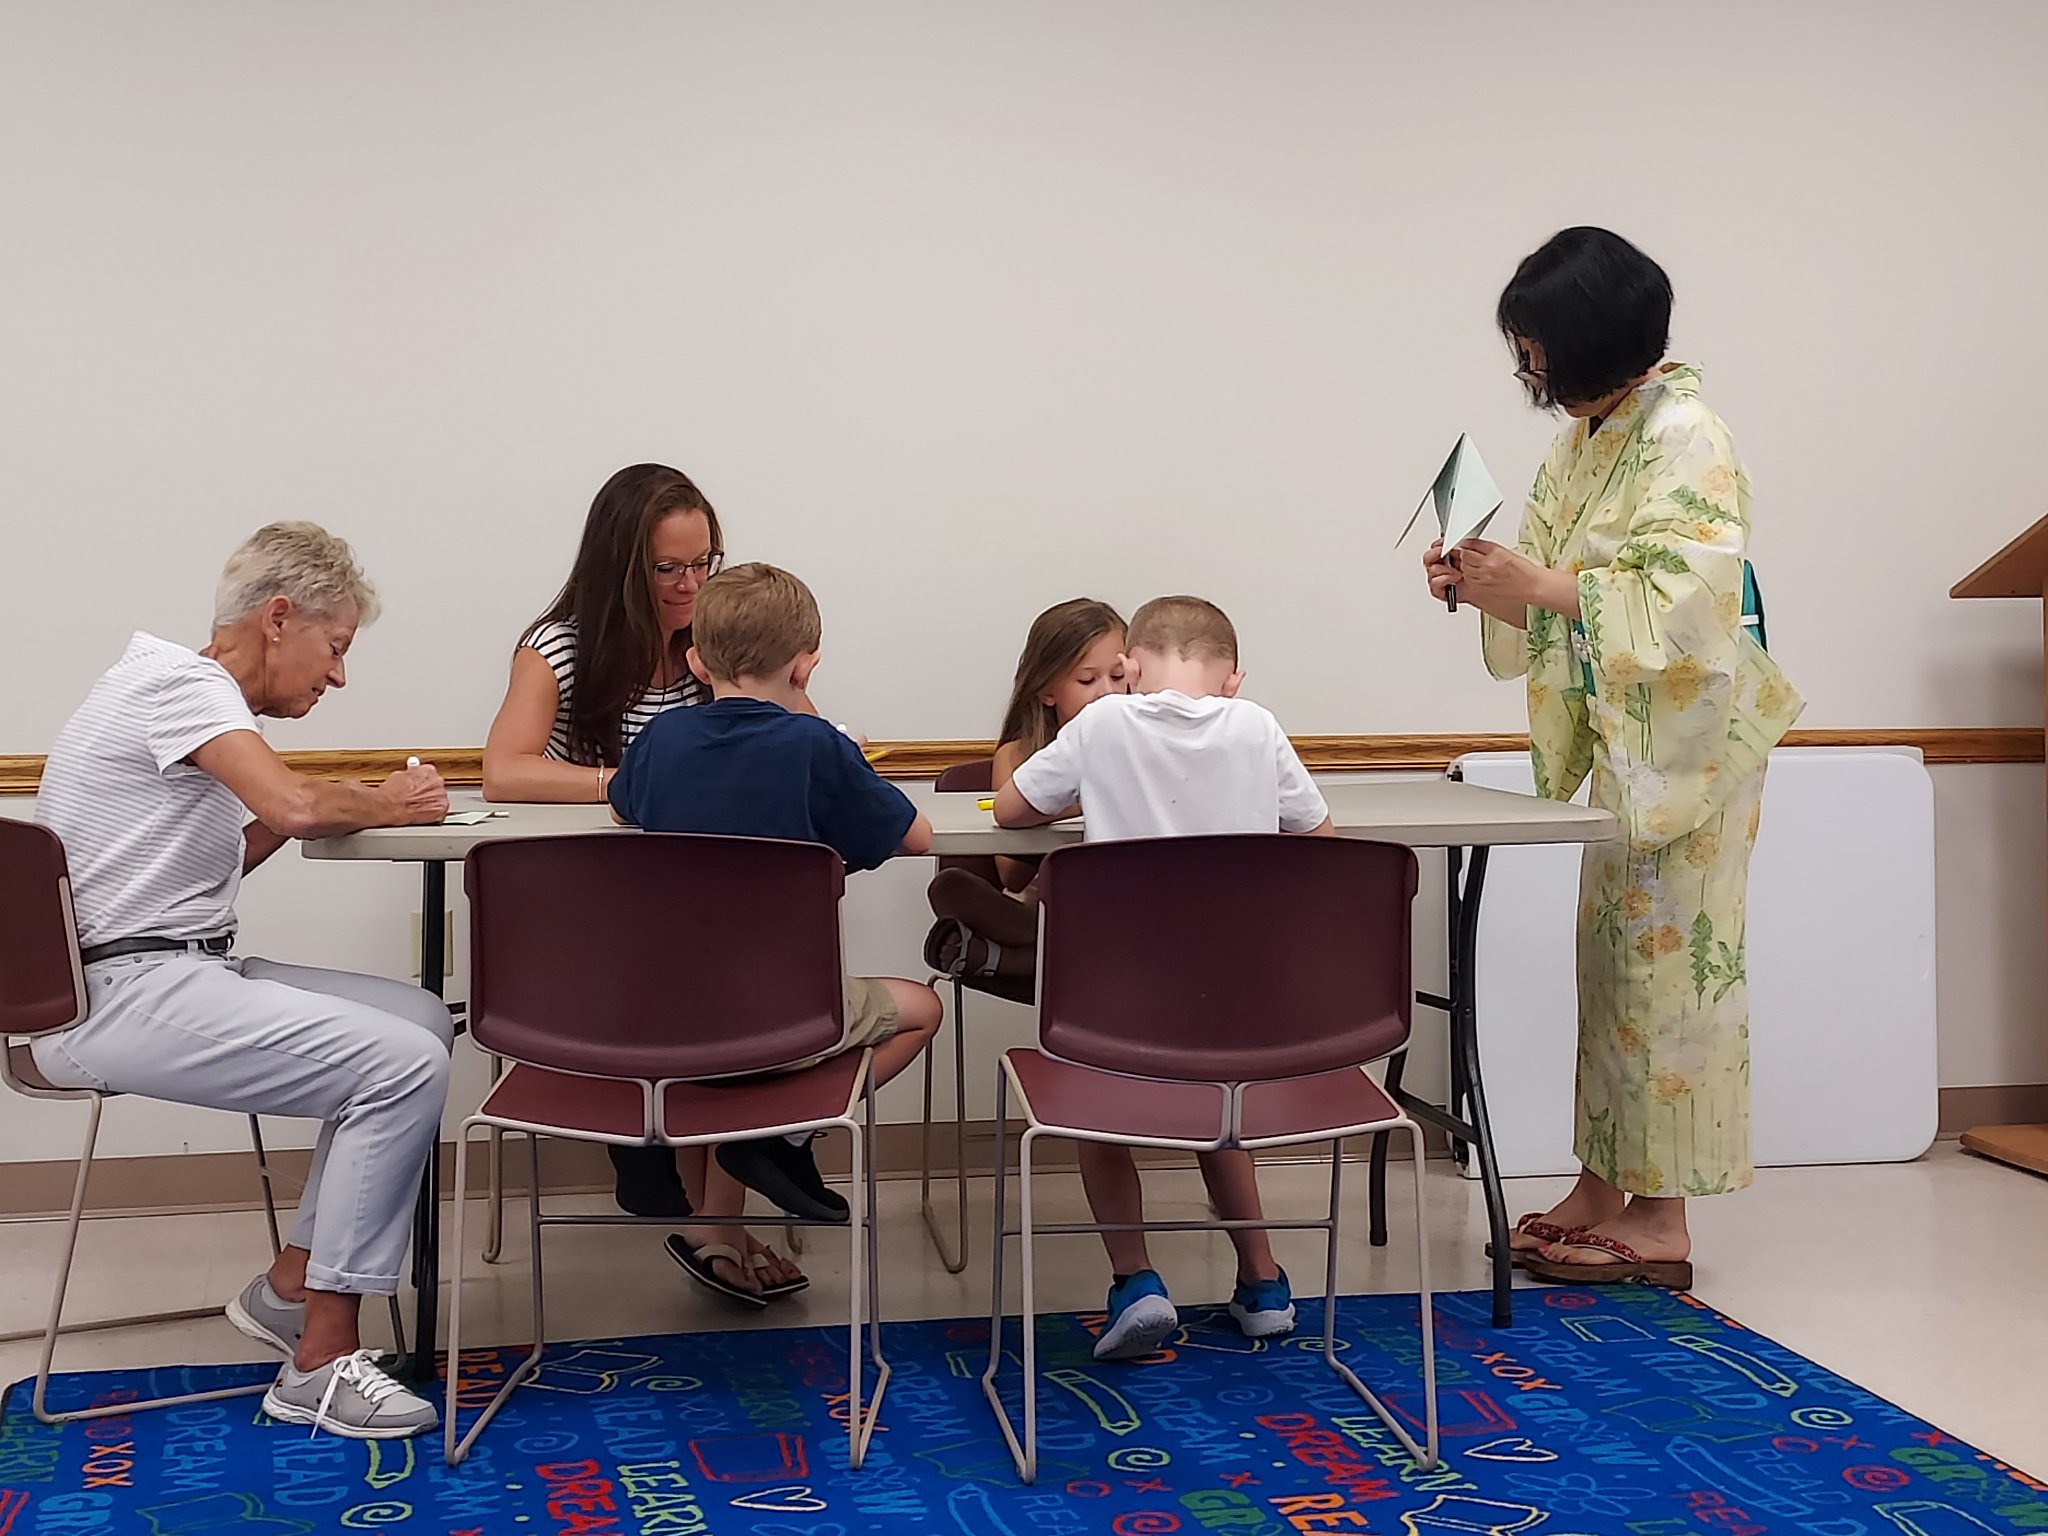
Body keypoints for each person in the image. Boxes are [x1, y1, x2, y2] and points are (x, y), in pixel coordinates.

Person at [1422, 226, 1805, 1288]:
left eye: (1534, 351)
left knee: (1674, 978)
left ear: (1586, 342)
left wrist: (1533, 589)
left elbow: (1687, 600)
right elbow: (1547, 569)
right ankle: (1603, 1186)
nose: (1528, 374)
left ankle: (1662, 1221)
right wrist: (1481, 576)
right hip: (1631, 748)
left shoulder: (1686, 433)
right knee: (1614, 973)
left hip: (1690, 745)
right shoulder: (1592, 436)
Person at [32, 522, 453, 1439]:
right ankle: (319, 1358)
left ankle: (289, 1289)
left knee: (420, 1019)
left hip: (165, 968)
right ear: (277, 618)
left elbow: (238, 845)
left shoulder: (180, 696)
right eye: (335, 648)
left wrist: (358, 804)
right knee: (402, 1066)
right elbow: (296, 806)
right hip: (121, 993)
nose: (338, 676)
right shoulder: (180, 682)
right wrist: (383, 802)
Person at [481, 462, 803, 1297]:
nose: (694, 584)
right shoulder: (557, 646)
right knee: (728, 985)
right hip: (601, 914)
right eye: (670, 568)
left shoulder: (723, 643)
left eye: (707, 562)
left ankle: (712, 1219)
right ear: (625, 566)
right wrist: (627, 785)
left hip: (698, 915)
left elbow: (789, 745)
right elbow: (503, 772)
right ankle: (715, 1219)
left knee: (745, 980)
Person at [994, 595, 1331, 1359]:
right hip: (1236, 1007)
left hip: (1114, 1004)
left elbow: (1012, 810)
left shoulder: (1102, 723)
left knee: (1090, 1100)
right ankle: (1264, 1282)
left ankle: (1136, 1280)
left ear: (1131, 668)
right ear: (1234, 679)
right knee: (1216, 1098)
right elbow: (1322, 842)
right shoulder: (1259, 725)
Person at [608, 562, 944, 1301]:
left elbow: (622, 812)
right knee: (922, 1009)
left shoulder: (660, 740)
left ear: (696, 659)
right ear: (806, 663)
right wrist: (819, 724)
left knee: (731, 1046)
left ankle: (721, 1217)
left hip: (665, 1011)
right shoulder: (818, 748)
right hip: (783, 1013)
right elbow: (916, 838)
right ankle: (784, 1133)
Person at [923, 598, 1128, 978]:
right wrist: (1083, 797)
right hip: (1041, 914)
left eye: (1119, 677)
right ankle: (1059, 958)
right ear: (1047, 691)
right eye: (1087, 680)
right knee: (949, 886)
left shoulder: (1147, 749)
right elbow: (1011, 875)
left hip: (1125, 909)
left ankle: (998, 961)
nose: (1108, 694)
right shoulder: (1017, 756)